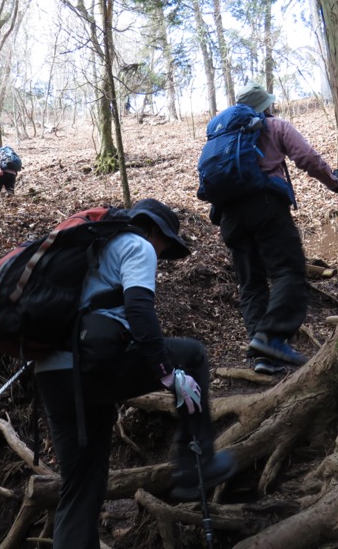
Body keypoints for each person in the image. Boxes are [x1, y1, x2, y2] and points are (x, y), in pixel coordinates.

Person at [35, 198, 236, 549]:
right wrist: (168, 373)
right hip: (89, 368)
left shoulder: (92, 247)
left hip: (52, 374)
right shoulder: (138, 246)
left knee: (82, 485)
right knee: (192, 356)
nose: (161, 255)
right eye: (166, 245)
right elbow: (140, 313)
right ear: (154, 231)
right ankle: (194, 465)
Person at [219, 83, 338, 376]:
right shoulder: (275, 127)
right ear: (266, 107)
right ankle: (272, 338)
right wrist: (336, 183)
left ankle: (263, 356)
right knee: (288, 270)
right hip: (266, 206)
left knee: (251, 282)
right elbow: (308, 159)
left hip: (229, 215)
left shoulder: (223, 135)